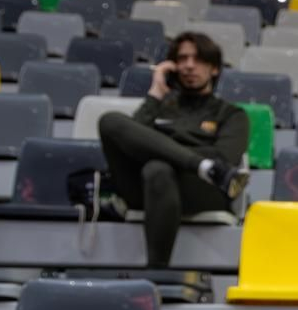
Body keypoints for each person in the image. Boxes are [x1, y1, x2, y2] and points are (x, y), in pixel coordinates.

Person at [97, 32, 249, 269]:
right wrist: (156, 93)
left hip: (201, 189)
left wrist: (161, 149)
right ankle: (201, 166)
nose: (189, 65)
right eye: (182, 59)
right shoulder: (160, 107)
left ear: (214, 68)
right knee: (109, 121)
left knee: (158, 167)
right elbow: (128, 141)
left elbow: (224, 159)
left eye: (198, 59)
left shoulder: (231, 114)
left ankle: (156, 271)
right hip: (147, 186)